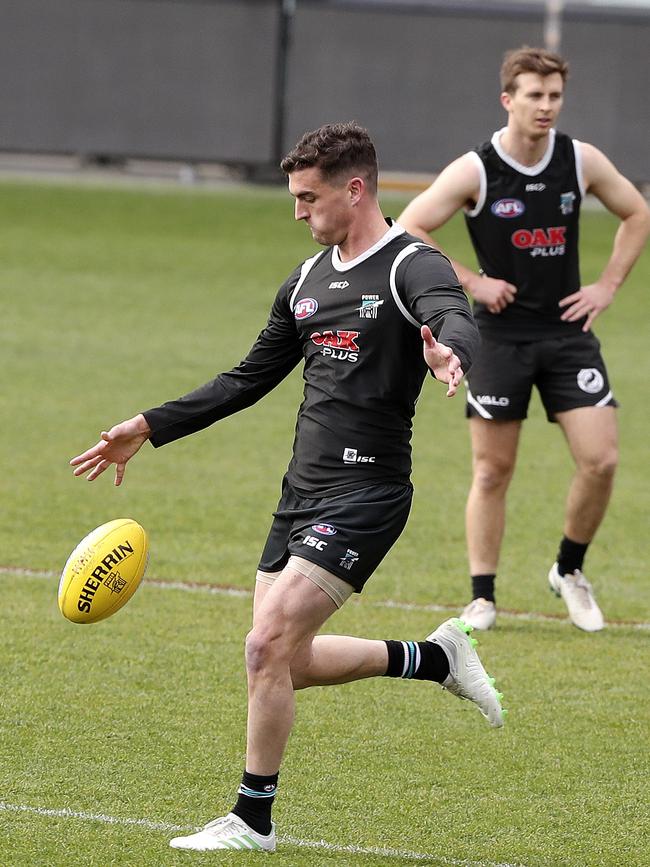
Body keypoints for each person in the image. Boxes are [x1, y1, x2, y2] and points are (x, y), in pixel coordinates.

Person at [70, 122, 505, 853]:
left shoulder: (409, 265)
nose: (298, 212)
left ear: (355, 189)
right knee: (288, 661)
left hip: (367, 495)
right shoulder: (303, 282)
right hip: (300, 493)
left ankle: (252, 819)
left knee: (264, 644)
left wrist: (447, 353)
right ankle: (435, 658)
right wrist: (148, 423)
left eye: (309, 198)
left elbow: (453, 315)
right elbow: (245, 380)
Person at [398, 46, 650, 633]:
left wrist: (607, 285)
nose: (546, 107)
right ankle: (482, 597)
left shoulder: (579, 160)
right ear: (508, 99)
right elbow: (408, 227)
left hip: (568, 334)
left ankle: (568, 570)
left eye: (555, 96)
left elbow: (637, 213)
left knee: (602, 460)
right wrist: (473, 282)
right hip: (500, 340)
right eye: (534, 95)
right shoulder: (477, 169)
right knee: (491, 472)